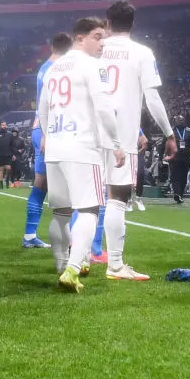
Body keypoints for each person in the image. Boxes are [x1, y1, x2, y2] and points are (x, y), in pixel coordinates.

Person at [37, 16, 128, 292]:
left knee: (61, 214)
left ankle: (61, 263)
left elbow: (42, 109)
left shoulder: (53, 68)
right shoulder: (90, 65)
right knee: (89, 211)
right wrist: (115, 143)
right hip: (81, 146)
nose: (103, 43)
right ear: (80, 38)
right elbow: (103, 107)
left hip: (55, 146)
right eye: (98, 37)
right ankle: (73, 269)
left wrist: (48, 135)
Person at [98, 0, 174, 280]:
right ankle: (115, 265)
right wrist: (168, 133)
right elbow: (152, 98)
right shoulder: (142, 52)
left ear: (107, 22)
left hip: (90, 132)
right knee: (117, 198)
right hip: (122, 134)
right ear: (133, 23)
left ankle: (76, 260)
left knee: (86, 200)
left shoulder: (96, 49)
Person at [20, 36, 63, 250]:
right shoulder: (56, 69)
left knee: (41, 184)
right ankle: (72, 240)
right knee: (68, 187)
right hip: (50, 130)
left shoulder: (45, 67)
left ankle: (29, 235)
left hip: (40, 128)